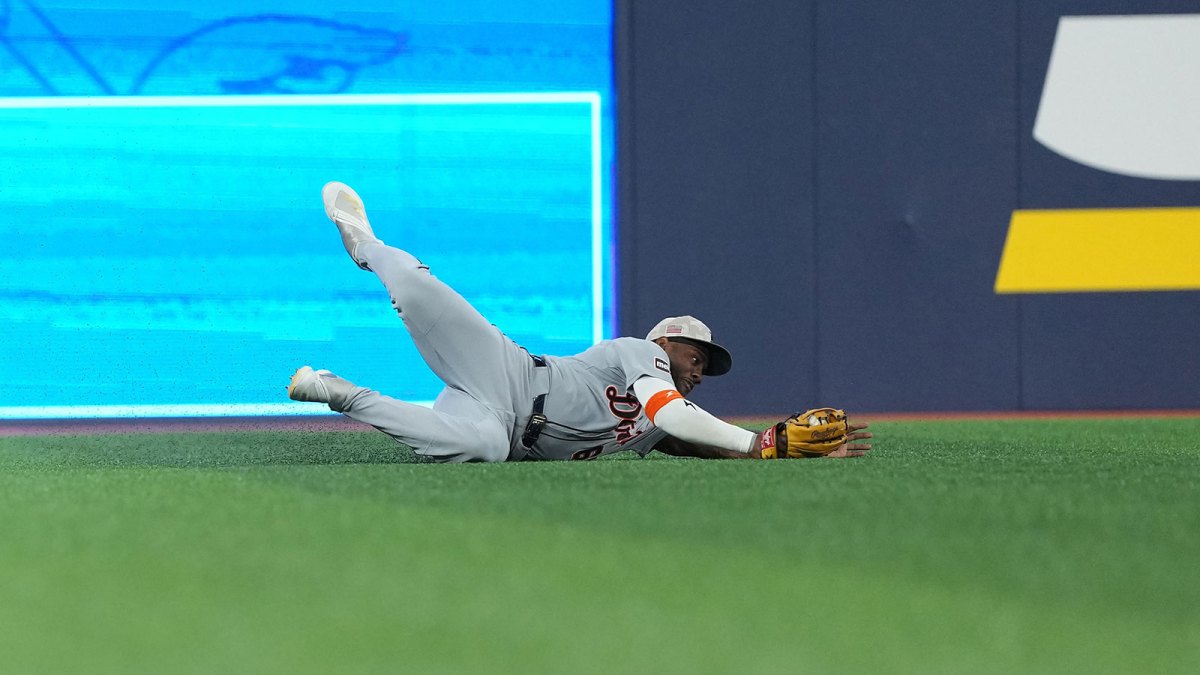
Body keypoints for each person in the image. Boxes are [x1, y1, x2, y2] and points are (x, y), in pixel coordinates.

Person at [288, 182, 872, 462]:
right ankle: (365, 242)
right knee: (417, 288)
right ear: (667, 341)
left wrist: (785, 452)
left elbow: (687, 434)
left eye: (705, 369)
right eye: (697, 358)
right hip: (508, 372)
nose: (698, 373)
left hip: (507, 432)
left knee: (479, 450)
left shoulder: (662, 422)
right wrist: (763, 442)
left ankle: (338, 393)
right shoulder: (642, 356)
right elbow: (673, 411)